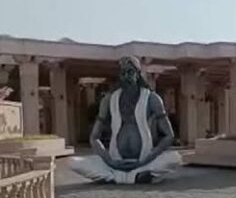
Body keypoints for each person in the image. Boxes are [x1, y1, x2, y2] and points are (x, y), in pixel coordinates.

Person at [69, 56, 181, 184]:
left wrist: (148, 158)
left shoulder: (152, 98)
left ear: (138, 74)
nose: (126, 76)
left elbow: (169, 135)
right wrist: (109, 161)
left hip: (144, 160)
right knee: (74, 162)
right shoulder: (109, 99)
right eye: (123, 73)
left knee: (175, 158)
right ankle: (135, 177)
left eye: (130, 72)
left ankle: (116, 178)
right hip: (115, 162)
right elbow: (94, 137)